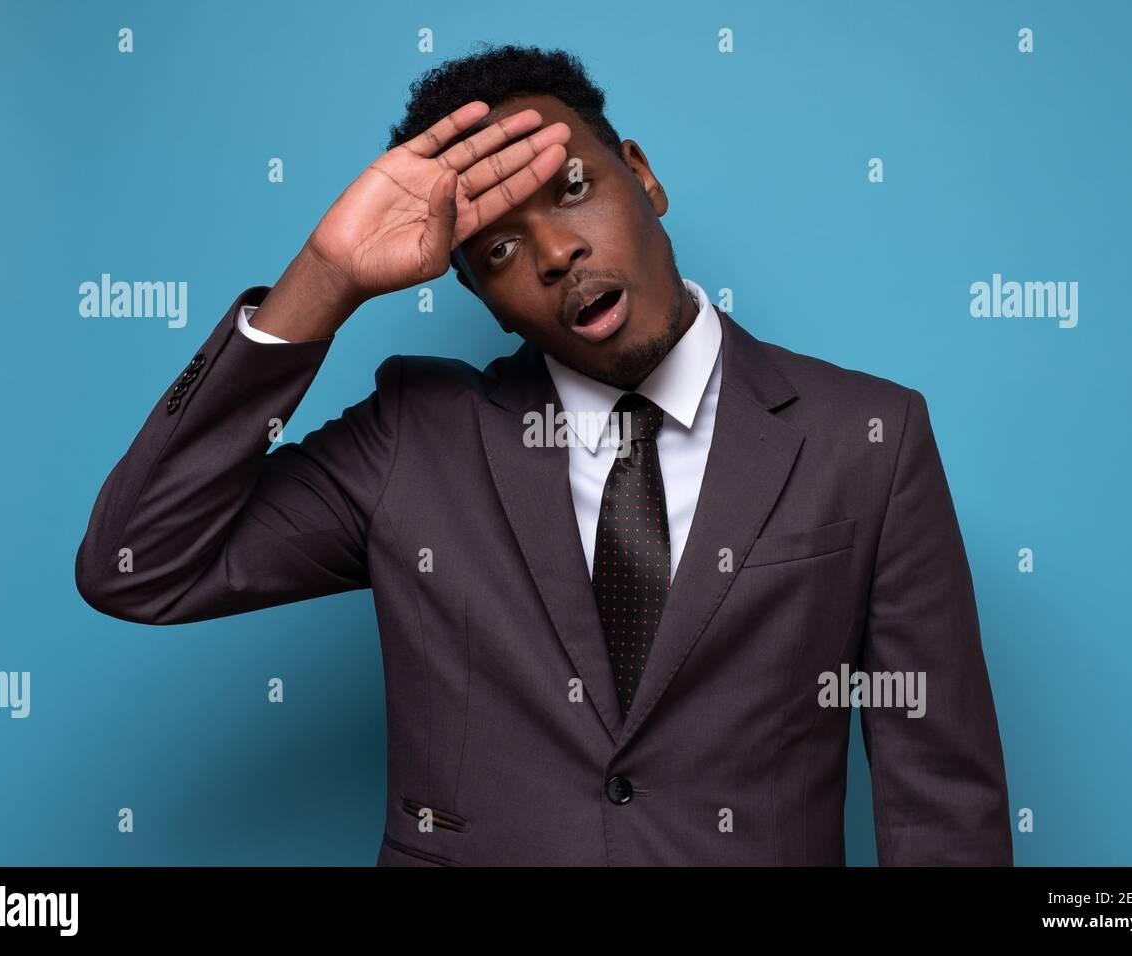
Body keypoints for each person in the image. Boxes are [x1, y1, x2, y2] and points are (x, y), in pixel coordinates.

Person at [75, 43, 1013, 866]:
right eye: (496, 251)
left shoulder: (868, 439)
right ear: (475, 291)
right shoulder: (417, 438)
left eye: (573, 191)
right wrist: (322, 278)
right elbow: (140, 568)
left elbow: (943, 808)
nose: (556, 254)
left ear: (642, 176)